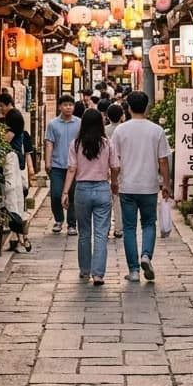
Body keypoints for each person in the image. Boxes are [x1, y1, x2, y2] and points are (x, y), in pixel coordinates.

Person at [110, 91, 172, 282]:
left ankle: (134, 271)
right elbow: (163, 160)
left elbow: (115, 161)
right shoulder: (156, 130)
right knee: (148, 224)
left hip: (127, 185)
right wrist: (166, 184)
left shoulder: (120, 130)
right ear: (146, 107)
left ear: (127, 108)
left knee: (129, 227)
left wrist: (114, 181)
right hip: (149, 186)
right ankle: (146, 255)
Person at [61, 108, 119, 285]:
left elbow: (72, 168)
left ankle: (85, 270)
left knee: (84, 233)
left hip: (82, 190)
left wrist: (65, 192)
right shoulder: (107, 143)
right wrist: (114, 183)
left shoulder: (76, 144)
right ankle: (98, 274)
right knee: (101, 234)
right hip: (102, 188)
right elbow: (115, 167)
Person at [44, 95, 81, 235]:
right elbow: (49, 143)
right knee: (55, 194)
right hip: (57, 165)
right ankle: (58, 219)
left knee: (72, 195)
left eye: (71, 105)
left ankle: (72, 224)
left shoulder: (79, 123)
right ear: (60, 107)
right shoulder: (53, 124)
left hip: (74, 166)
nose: (68, 107)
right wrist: (48, 162)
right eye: (65, 105)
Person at [0, 109, 32, 253]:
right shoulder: (23, 135)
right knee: (19, 205)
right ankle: (21, 239)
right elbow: (26, 156)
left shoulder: (11, 140)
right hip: (21, 177)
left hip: (14, 178)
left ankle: (20, 238)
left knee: (13, 204)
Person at [105, 103, 125, 237]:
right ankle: (119, 227)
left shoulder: (104, 130)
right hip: (122, 167)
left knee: (106, 201)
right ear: (122, 116)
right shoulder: (125, 129)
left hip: (105, 168)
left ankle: (105, 228)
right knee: (118, 198)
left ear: (107, 116)